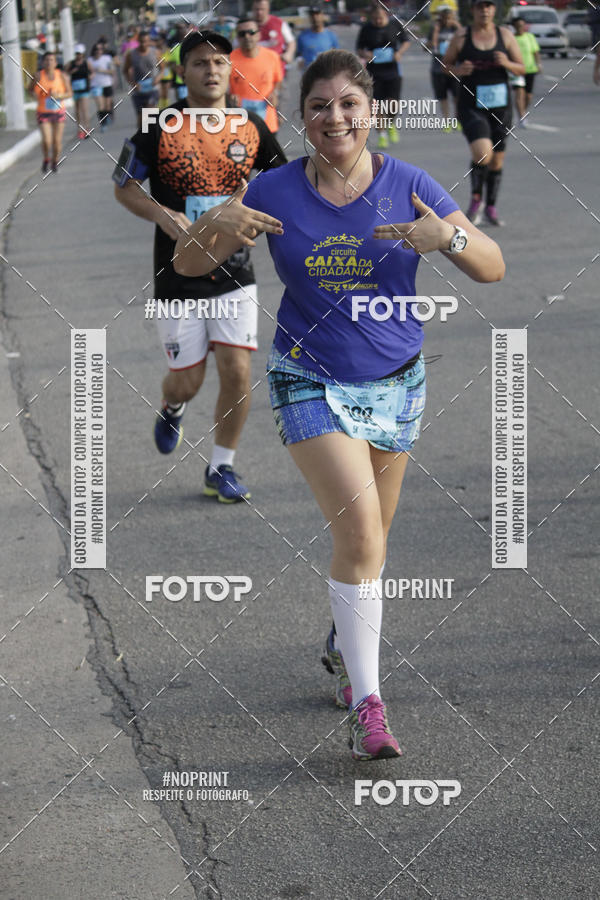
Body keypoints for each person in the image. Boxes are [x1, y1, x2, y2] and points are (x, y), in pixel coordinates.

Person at [173, 48, 505, 759]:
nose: (336, 117)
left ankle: (343, 636)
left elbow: (492, 266)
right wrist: (219, 224)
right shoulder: (274, 189)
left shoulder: (409, 184)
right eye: (320, 106)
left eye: (349, 104)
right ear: (303, 117)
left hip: (397, 382)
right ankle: (368, 707)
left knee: (372, 545)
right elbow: (187, 264)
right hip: (308, 376)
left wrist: (445, 236)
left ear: (371, 111)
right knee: (359, 538)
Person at [113, 30, 287, 502]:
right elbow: (124, 185)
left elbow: (284, 183)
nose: (211, 70)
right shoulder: (158, 126)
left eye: (219, 62)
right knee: (188, 382)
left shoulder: (250, 125)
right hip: (177, 273)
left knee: (238, 371)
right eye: (200, 62)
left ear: (230, 70)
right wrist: (162, 214)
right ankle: (173, 405)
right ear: (183, 71)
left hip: (234, 268)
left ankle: (221, 467)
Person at [444, 0, 524, 226]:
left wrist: (507, 63)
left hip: (501, 107)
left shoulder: (505, 35)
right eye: (480, 6)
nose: (485, 11)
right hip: (471, 105)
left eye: (489, 6)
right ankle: (476, 201)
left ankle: (491, 206)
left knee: (496, 161)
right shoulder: (462, 36)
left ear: (494, 10)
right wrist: (458, 70)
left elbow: (522, 68)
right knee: (483, 153)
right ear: (473, 10)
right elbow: (445, 65)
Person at [356, 1, 410, 149]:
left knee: (393, 104)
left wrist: (399, 53)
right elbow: (359, 48)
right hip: (374, 72)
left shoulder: (394, 25)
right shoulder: (366, 29)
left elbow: (406, 41)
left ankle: (390, 123)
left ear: (386, 14)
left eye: (380, 18)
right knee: (377, 105)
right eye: (375, 19)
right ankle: (382, 135)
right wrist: (365, 54)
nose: (378, 21)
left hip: (393, 70)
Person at [230, 16, 283, 133]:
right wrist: (229, 98)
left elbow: (278, 81)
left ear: (259, 34)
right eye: (242, 34)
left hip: (268, 124)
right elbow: (222, 88)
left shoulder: (272, 57)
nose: (247, 37)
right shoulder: (229, 60)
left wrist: (275, 93)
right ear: (237, 37)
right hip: (240, 125)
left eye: (251, 32)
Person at [28, 52, 72, 173]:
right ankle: (46, 158)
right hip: (43, 112)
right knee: (47, 140)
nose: (49, 62)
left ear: (56, 63)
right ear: (43, 62)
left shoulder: (62, 76)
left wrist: (59, 96)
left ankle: (55, 161)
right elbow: (29, 90)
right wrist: (35, 95)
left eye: (52, 60)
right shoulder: (38, 76)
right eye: (47, 60)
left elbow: (69, 93)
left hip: (58, 111)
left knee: (57, 141)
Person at [427, 7, 460, 131]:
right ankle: (446, 121)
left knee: (457, 96)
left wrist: (457, 26)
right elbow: (430, 45)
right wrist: (436, 31)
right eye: (445, 18)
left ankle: (457, 120)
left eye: (450, 18)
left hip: (454, 67)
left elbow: (466, 38)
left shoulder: (456, 29)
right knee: (443, 97)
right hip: (438, 68)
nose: (447, 21)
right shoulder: (435, 29)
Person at [124, 30, 162, 130]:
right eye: (141, 41)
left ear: (149, 41)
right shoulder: (131, 55)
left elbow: (163, 68)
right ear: (138, 41)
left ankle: (154, 136)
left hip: (152, 87)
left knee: (151, 112)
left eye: (145, 41)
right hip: (138, 88)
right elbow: (125, 71)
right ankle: (141, 136)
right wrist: (133, 83)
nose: (143, 44)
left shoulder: (155, 52)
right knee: (141, 118)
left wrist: (158, 78)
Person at [511, 17, 540, 127]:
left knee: (528, 96)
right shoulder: (511, 38)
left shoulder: (529, 37)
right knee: (519, 93)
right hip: (516, 70)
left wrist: (538, 64)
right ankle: (522, 117)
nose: (520, 28)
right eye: (518, 26)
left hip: (530, 69)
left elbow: (535, 51)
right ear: (514, 27)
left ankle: (522, 112)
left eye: (522, 25)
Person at [252, 0, 296, 73]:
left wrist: (289, 53)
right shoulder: (247, 26)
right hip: (255, 69)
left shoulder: (279, 23)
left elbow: (291, 42)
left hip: (277, 69)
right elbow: (236, 46)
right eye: (257, 9)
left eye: (262, 9)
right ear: (253, 9)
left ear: (268, 9)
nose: (259, 12)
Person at [66, 44, 92, 139]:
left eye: (80, 54)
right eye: (77, 53)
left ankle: (87, 128)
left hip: (84, 89)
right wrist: (71, 72)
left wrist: (90, 77)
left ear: (82, 54)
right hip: (75, 89)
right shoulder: (71, 64)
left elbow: (92, 72)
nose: (78, 55)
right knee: (77, 111)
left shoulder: (86, 63)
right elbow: (64, 74)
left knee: (84, 109)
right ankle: (80, 129)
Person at [89, 42, 115, 131]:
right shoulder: (90, 60)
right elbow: (87, 72)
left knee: (107, 106)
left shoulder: (107, 58)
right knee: (100, 106)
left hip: (106, 84)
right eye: (96, 49)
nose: (98, 51)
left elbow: (112, 71)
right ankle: (103, 124)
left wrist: (102, 71)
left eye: (100, 49)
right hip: (95, 85)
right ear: (93, 50)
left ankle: (108, 116)